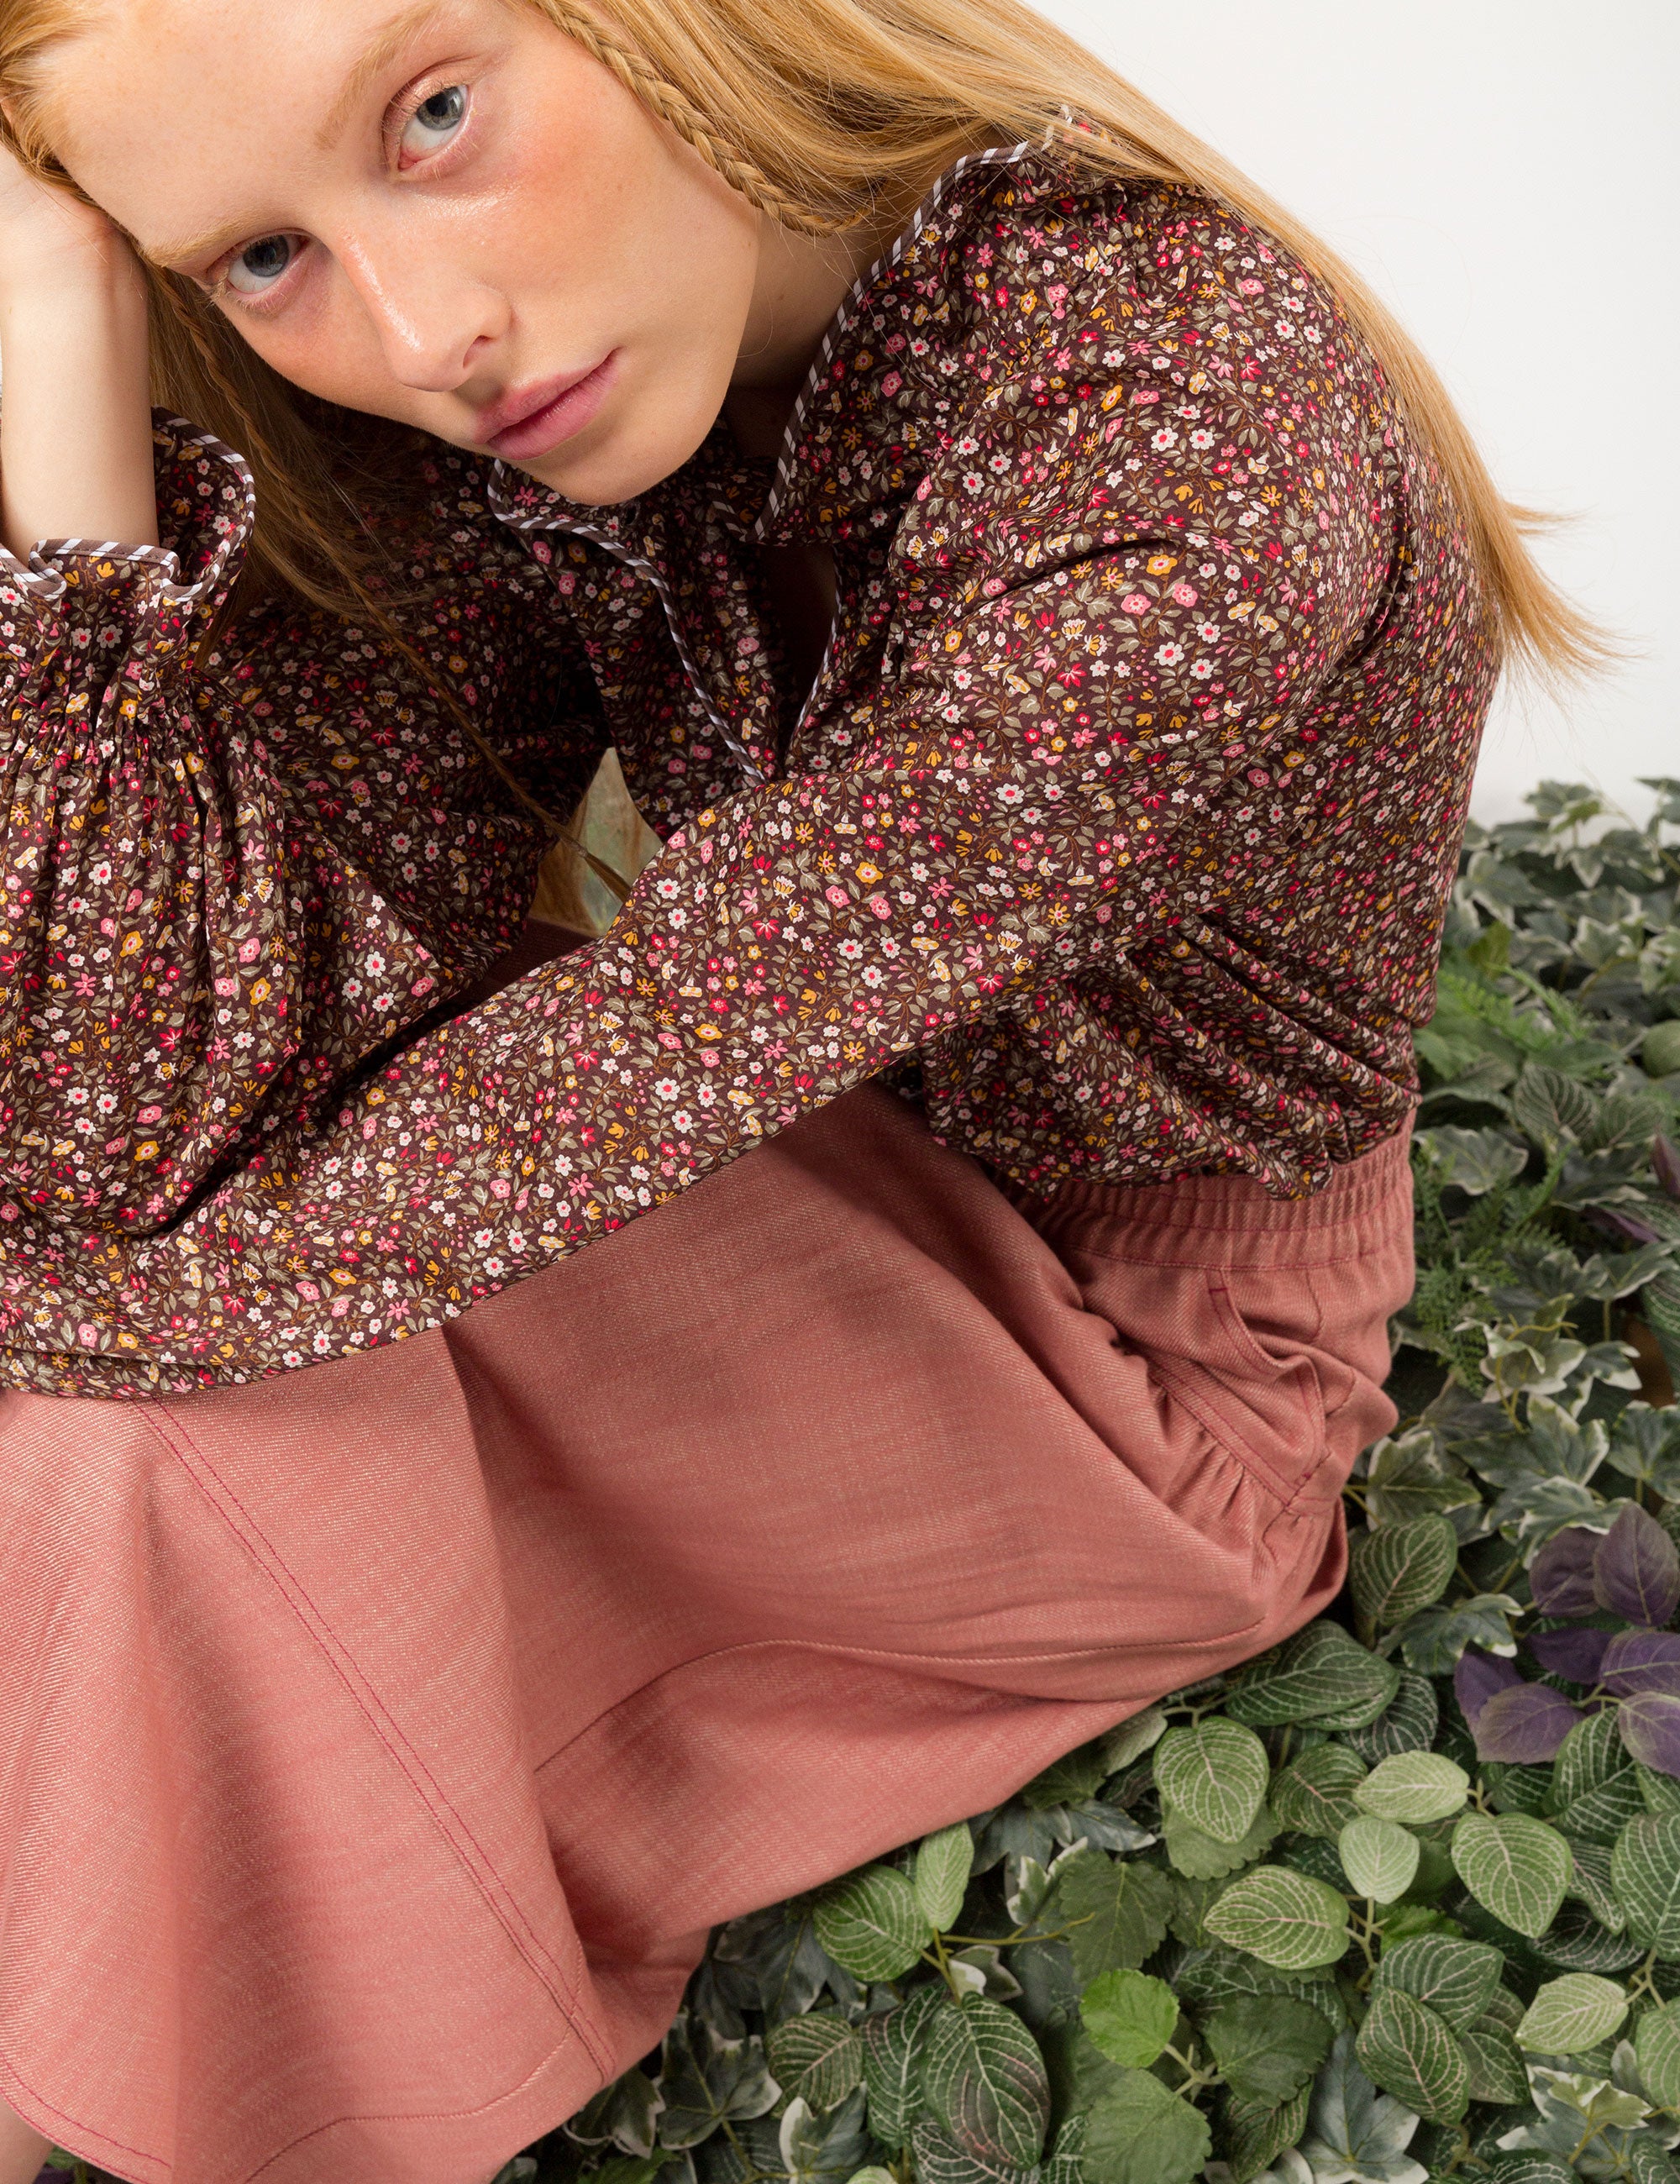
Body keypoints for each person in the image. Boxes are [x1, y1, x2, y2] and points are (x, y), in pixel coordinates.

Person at [0, 0, 1610, 2177]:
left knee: (142, 1459)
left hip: (1145, 1397)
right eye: (257, 259)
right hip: (830, 1214)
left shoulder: (1174, 428)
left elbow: (596, 1084)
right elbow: (143, 1125)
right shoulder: (511, 406)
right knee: (125, 1435)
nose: (423, 324)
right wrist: (80, 532)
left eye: (439, 115)